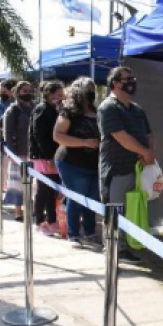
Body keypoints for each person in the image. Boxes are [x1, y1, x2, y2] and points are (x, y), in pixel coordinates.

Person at [98, 66, 156, 265]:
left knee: (133, 209)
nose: (132, 81)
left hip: (138, 169)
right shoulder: (108, 107)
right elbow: (121, 137)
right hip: (117, 168)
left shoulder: (138, 109)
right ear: (115, 83)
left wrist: (148, 152)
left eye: (133, 77)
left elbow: (148, 134)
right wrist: (144, 152)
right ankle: (115, 247)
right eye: (127, 78)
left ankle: (127, 245)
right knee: (116, 209)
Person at [54, 77, 102, 249]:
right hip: (71, 162)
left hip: (93, 164)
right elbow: (58, 136)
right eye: (87, 89)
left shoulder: (98, 112)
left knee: (92, 199)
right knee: (76, 197)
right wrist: (84, 142)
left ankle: (89, 233)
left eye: (92, 88)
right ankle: (74, 234)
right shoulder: (68, 112)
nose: (90, 92)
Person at [31, 80, 65, 236]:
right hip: (43, 156)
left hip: (50, 155)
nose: (61, 97)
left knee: (52, 190)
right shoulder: (42, 109)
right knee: (44, 190)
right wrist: (49, 157)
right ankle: (39, 221)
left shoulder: (53, 109)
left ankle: (52, 220)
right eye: (58, 95)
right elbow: (40, 136)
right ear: (49, 94)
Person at [2, 81, 35, 221]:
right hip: (18, 152)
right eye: (24, 91)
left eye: (29, 91)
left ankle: (30, 208)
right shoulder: (12, 110)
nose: (27, 94)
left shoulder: (35, 108)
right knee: (17, 182)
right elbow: (7, 133)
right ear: (17, 92)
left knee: (32, 182)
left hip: (33, 152)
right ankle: (17, 211)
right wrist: (11, 153)